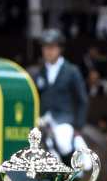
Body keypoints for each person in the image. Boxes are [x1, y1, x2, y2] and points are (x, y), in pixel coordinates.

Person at [33, 28, 89, 159]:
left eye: (52, 47)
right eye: (45, 47)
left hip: (63, 118)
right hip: (43, 118)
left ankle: (74, 168)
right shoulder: (38, 71)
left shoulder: (71, 71)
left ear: (60, 49)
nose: (48, 51)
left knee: (63, 141)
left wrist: (78, 127)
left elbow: (82, 100)